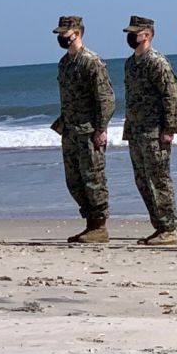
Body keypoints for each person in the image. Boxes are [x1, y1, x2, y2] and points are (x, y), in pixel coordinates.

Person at [51, 16, 115, 243]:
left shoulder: (91, 61)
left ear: (77, 33)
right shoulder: (65, 63)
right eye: (59, 34)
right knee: (74, 180)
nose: (61, 38)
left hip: (88, 131)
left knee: (93, 178)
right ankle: (89, 222)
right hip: (70, 130)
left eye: (64, 34)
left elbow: (105, 98)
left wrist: (101, 128)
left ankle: (99, 225)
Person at [122, 16, 177, 246]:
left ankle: (169, 228)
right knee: (142, 181)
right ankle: (159, 227)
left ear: (146, 35)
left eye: (135, 32)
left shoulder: (157, 62)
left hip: (155, 131)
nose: (130, 37)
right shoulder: (131, 63)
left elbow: (172, 95)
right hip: (136, 131)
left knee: (159, 180)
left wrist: (169, 128)